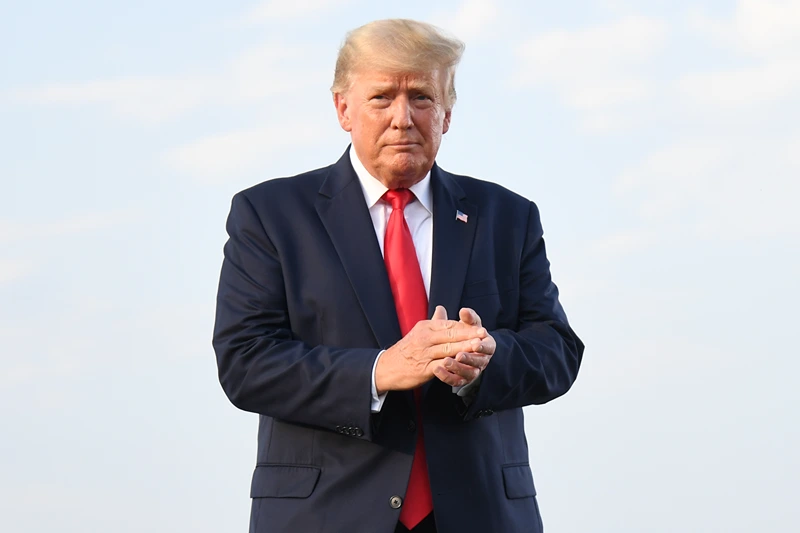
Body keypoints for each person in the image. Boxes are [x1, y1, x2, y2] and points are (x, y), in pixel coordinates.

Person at [213, 18, 584, 533]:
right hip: (323, 516)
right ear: (343, 108)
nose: (403, 118)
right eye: (382, 97)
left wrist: (488, 362)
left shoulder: (508, 216)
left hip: (483, 514)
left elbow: (557, 350)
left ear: (447, 113)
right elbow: (245, 361)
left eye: (422, 98)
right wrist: (381, 370)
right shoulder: (270, 215)